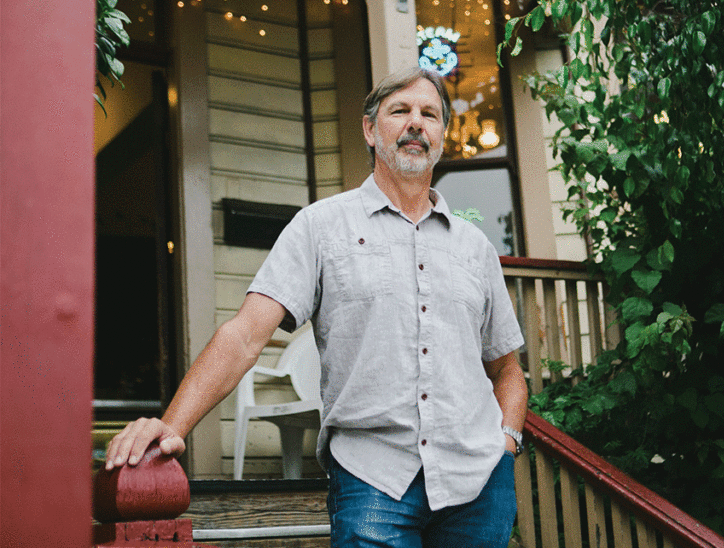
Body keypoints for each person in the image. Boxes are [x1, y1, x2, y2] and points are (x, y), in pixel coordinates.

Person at [104, 67, 529, 548]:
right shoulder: (320, 227)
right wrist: (171, 425)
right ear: (370, 130)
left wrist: (505, 446)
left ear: (441, 136)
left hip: (478, 486)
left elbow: (507, 370)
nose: (416, 123)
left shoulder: (475, 248)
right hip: (375, 480)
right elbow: (246, 335)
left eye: (429, 114)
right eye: (400, 111)